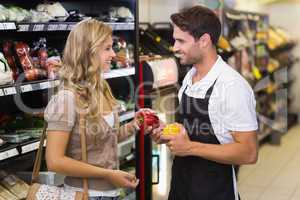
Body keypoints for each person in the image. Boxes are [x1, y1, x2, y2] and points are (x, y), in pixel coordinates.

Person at [150, 5, 258, 200]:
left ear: (204, 40)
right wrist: (168, 133)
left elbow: (248, 153)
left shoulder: (231, 86)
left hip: (215, 191)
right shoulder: (190, 77)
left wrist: (189, 147)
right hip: (182, 186)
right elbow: (193, 130)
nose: (174, 47)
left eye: (181, 41)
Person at [44, 19, 140, 200]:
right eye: (107, 48)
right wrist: (107, 174)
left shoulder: (102, 89)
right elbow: (54, 161)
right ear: (87, 52)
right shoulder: (66, 99)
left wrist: (134, 124)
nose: (113, 54)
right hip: (85, 195)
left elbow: (104, 139)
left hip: (112, 194)